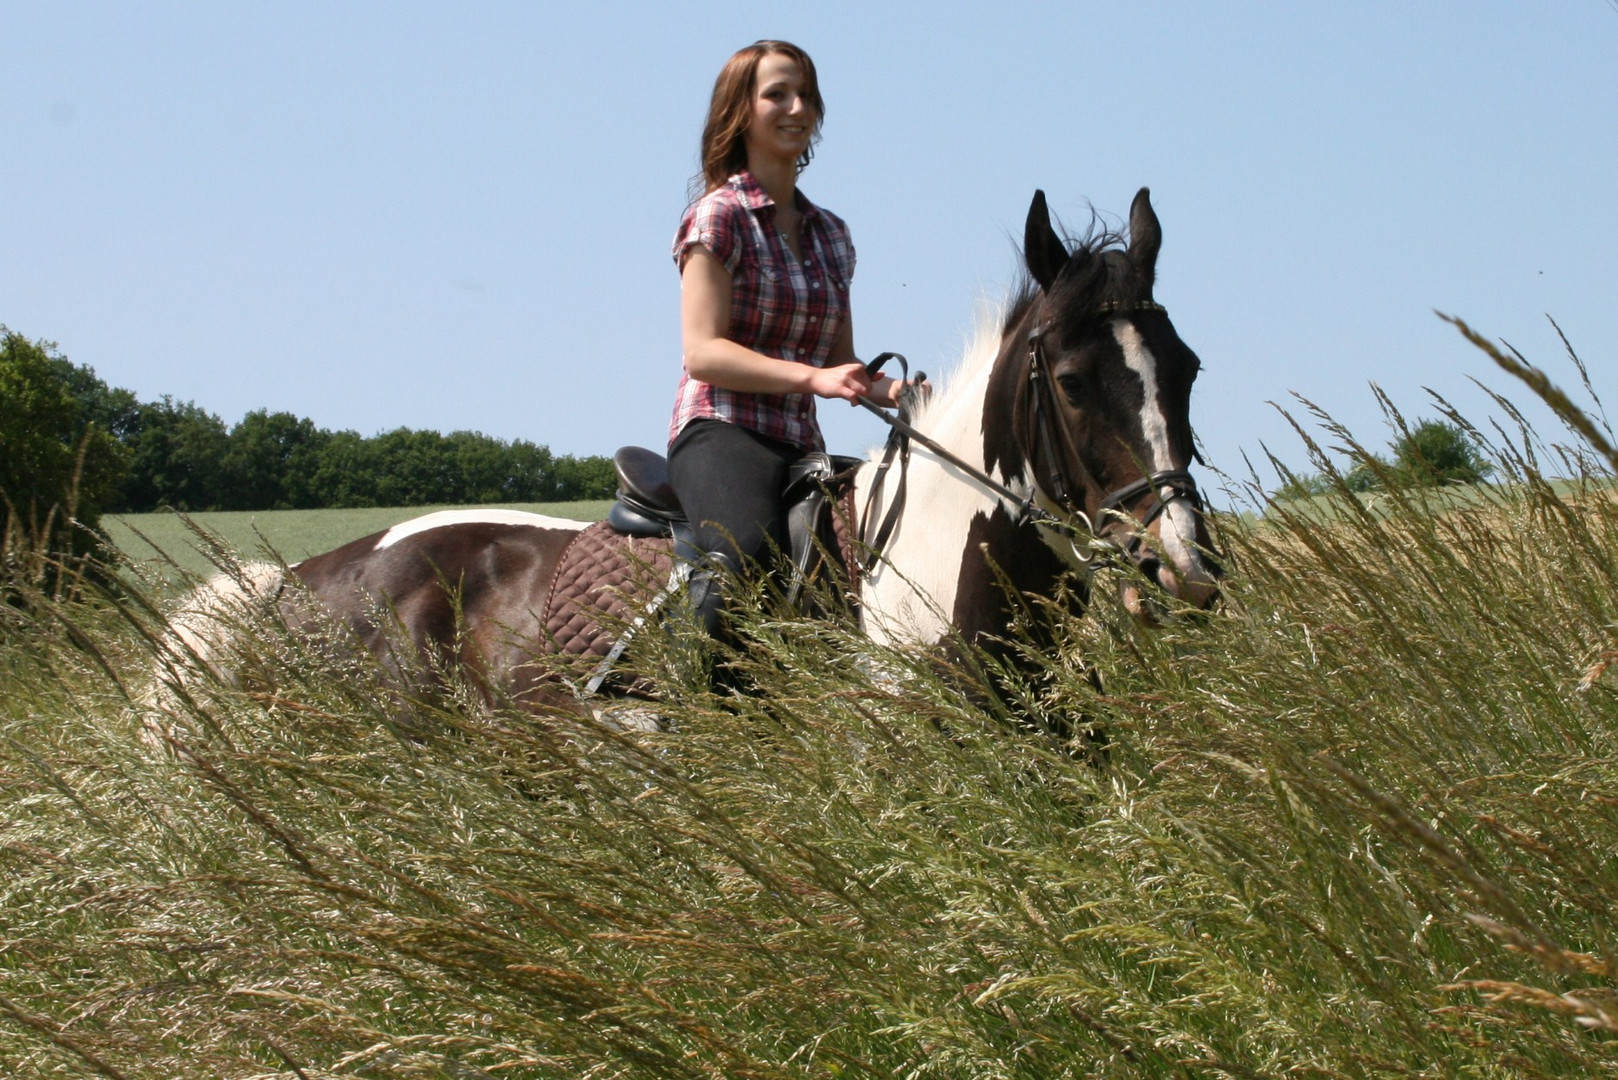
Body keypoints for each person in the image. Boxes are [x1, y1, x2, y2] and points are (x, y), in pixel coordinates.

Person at [667, 40, 911, 643]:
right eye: (777, 93)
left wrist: (896, 390)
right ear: (740, 111)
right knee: (742, 555)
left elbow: (838, 363)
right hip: (722, 428)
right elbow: (702, 352)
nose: (796, 107)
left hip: (800, 440)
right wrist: (810, 379)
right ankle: (683, 711)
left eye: (805, 94)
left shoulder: (831, 233)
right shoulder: (717, 216)